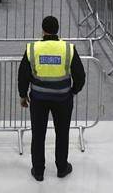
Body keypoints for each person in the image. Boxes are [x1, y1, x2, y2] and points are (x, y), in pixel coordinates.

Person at [17, 15, 85, 181]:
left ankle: (38, 171)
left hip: (38, 99)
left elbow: (23, 75)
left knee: (38, 134)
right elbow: (80, 75)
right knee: (62, 133)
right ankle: (62, 168)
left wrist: (23, 95)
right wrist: (73, 91)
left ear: (43, 30)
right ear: (57, 30)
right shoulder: (68, 49)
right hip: (63, 99)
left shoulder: (33, 48)